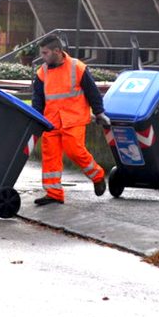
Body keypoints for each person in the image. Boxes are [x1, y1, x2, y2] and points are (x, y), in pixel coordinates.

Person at [31, 35, 111, 205]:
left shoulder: (78, 68)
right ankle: (54, 193)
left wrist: (99, 112)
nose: (43, 57)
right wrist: (36, 118)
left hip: (73, 119)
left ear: (57, 51)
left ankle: (97, 176)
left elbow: (92, 92)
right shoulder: (42, 72)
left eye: (45, 53)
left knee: (74, 151)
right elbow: (38, 99)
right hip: (51, 121)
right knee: (50, 157)